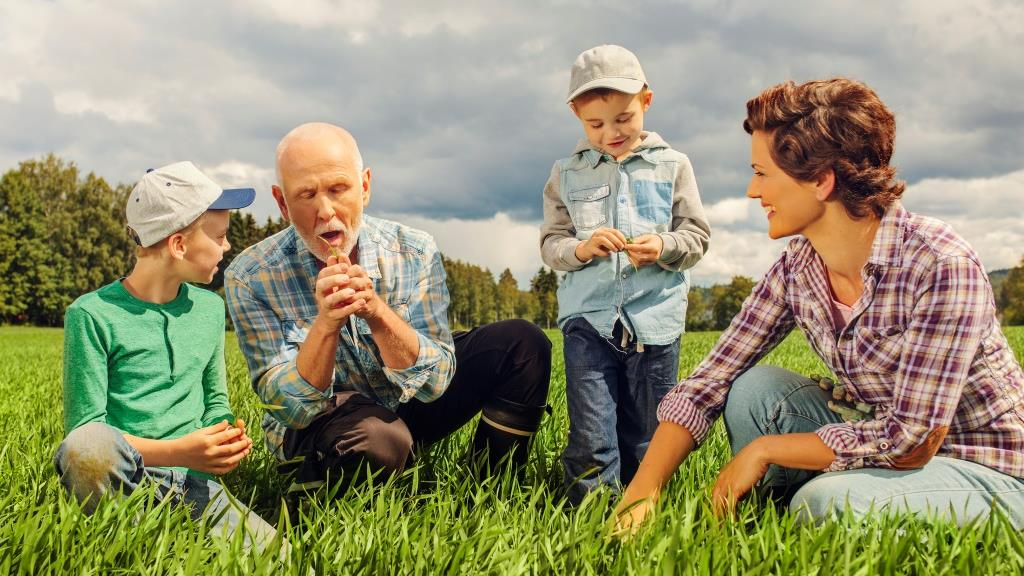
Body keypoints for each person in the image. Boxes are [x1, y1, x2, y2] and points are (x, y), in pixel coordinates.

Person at [615, 78, 1024, 530]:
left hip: (986, 466)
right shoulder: (799, 267)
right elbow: (709, 380)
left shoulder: (940, 264)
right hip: (883, 444)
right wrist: (642, 493)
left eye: (762, 173)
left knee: (828, 503)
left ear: (821, 181)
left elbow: (914, 440)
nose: (753, 191)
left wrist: (764, 449)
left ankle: (809, 505)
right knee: (754, 391)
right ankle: (768, 515)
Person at [224, 122, 551, 492]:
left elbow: (436, 382)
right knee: (379, 439)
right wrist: (326, 324)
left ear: (364, 186)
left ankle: (490, 488)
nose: (326, 210)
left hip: (402, 402)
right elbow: (290, 411)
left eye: (338, 188)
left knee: (522, 343)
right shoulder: (251, 277)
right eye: (306, 194)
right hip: (327, 424)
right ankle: (332, 488)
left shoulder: (414, 249)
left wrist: (377, 312)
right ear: (282, 203)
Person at [56, 161, 278, 548]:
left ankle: (170, 536)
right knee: (87, 447)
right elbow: (86, 436)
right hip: (125, 485)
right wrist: (182, 451)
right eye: (221, 236)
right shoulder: (91, 314)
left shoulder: (208, 310)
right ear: (178, 245)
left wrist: (221, 436)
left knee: (287, 561)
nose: (227, 246)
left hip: (194, 485)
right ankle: (125, 540)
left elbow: (215, 398)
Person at [540, 45, 711, 505]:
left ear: (646, 101)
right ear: (576, 114)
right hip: (588, 322)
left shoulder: (673, 165)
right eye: (595, 124)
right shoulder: (566, 173)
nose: (610, 133)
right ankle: (591, 512)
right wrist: (581, 247)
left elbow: (696, 236)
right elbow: (551, 245)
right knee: (593, 431)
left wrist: (662, 246)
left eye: (623, 118)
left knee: (647, 432)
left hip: (655, 322)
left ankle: (641, 504)